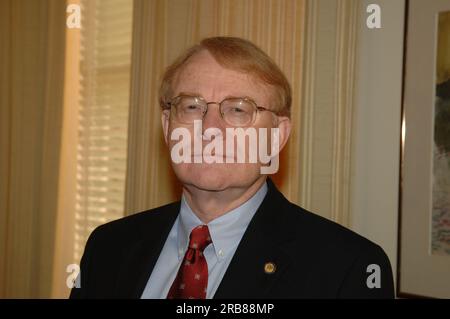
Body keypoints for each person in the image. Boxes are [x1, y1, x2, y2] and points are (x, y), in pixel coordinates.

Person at [70, 36, 394, 299]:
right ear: (168, 126)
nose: (210, 128)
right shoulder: (108, 247)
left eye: (239, 110)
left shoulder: (349, 270)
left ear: (276, 136)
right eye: (192, 107)